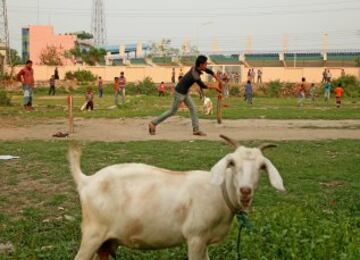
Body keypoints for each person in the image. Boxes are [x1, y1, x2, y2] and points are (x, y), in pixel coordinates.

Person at [149, 55, 222, 136]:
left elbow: (209, 71)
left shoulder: (197, 66)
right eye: (205, 64)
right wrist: (215, 87)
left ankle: (196, 130)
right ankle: (153, 123)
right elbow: (203, 85)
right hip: (179, 93)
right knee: (172, 111)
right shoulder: (195, 75)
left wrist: (218, 79)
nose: (206, 65)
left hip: (185, 93)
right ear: (201, 64)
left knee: (193, 108)